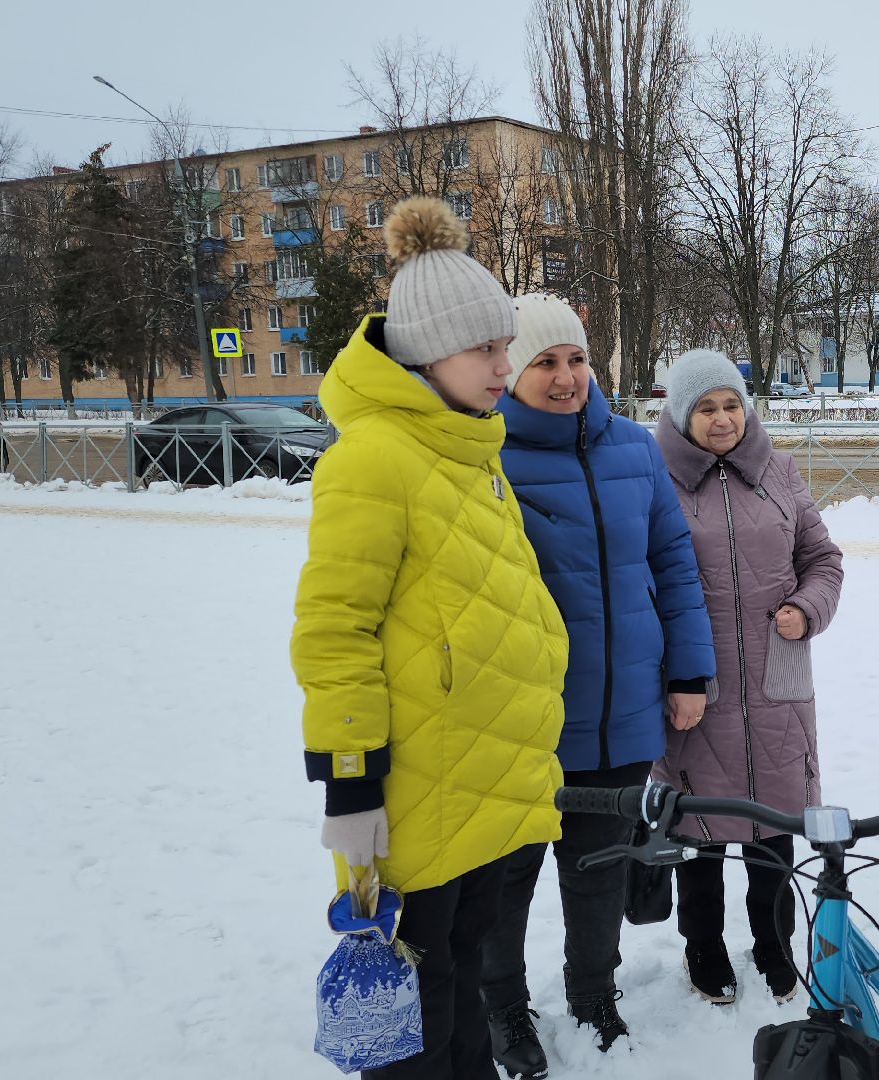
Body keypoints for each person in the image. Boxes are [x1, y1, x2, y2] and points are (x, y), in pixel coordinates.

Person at [292, 197, 569, 1080]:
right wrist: (349, 786)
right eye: (487, 349)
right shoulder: (373, 457)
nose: (505, 364)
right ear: (424, 353)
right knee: (418, 996)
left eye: (504, 346)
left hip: (482, 780)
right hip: (411, 793)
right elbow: (336, 631)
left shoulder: (468, 449)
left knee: (462, 968)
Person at [479, 294, 714, 1074]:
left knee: (599, 870)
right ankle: (504, 1006)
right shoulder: (484, 457)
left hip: (622, 709)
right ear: (509, 371)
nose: (565, 377)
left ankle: (592, 993)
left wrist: (687, 671)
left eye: (575, 359)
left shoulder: (633, 449)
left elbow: (673, 564)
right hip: (524, 718)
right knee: (506, 880)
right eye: (544, 361)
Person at [652, 350, 844, 1006]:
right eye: (706, 408)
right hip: (695, 686)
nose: (722, 418)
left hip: (776, 681)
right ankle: (701, 944)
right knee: (698, 825)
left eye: (731, 403)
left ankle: (774, 940)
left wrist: (806, 608)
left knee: (774, 822)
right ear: (682, 414)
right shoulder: (657, 479)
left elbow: (822, 558)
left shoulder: (779, 471)